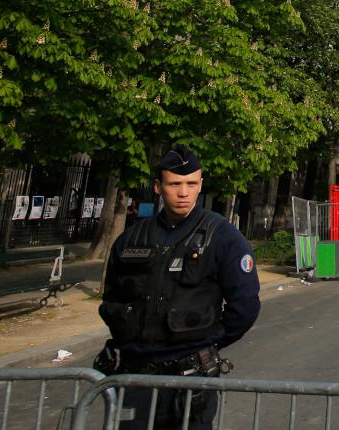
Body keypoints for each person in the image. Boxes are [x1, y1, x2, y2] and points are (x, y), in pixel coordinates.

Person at [94, 145, 261, 429]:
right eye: (175, 184)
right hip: (135, 377)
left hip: (190, 379)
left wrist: (206, 343)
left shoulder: (223, 237)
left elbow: (244, 306)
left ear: (200, 185)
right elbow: (113, 299)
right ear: (159, 187)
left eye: (191, 184)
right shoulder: (132, 238)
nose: (183, 193)